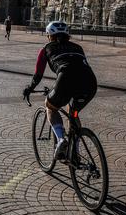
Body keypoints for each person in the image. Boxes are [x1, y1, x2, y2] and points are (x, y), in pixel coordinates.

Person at [22, 21, 97, 161]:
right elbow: (79, 66)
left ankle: (61, 139)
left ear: (49, 35)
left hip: (66, 80)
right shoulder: (78, 47)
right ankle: (75, 149)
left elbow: (38, 74)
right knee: (73, 112)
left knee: (50, 106)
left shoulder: (46, 49)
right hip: (90, 82)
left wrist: (29, 88)